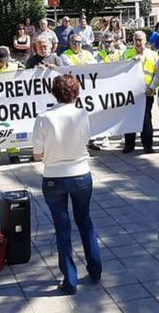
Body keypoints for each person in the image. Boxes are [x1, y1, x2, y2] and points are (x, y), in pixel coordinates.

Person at [32, 74, 102, 295]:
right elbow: (84, 141)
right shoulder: (82, 114)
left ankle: (69, 279)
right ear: (76, 92)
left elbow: (36, 154)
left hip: (54, 176)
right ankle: (95, 268)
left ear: (54, 92)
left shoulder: (44, 117)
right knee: (85, 220)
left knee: (62, 228)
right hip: (81, 173)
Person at [123, 31, 158, 153]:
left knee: (146, 119)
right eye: (135, 40)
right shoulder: (127, 54)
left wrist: (152, 87)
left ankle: (148, 146)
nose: (137, 43)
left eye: (140, 40)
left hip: (146, 92)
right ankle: (129, 145)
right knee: (129, 119)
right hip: (130, 93)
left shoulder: (153, 55)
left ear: (145, 41)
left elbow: (157, 74)